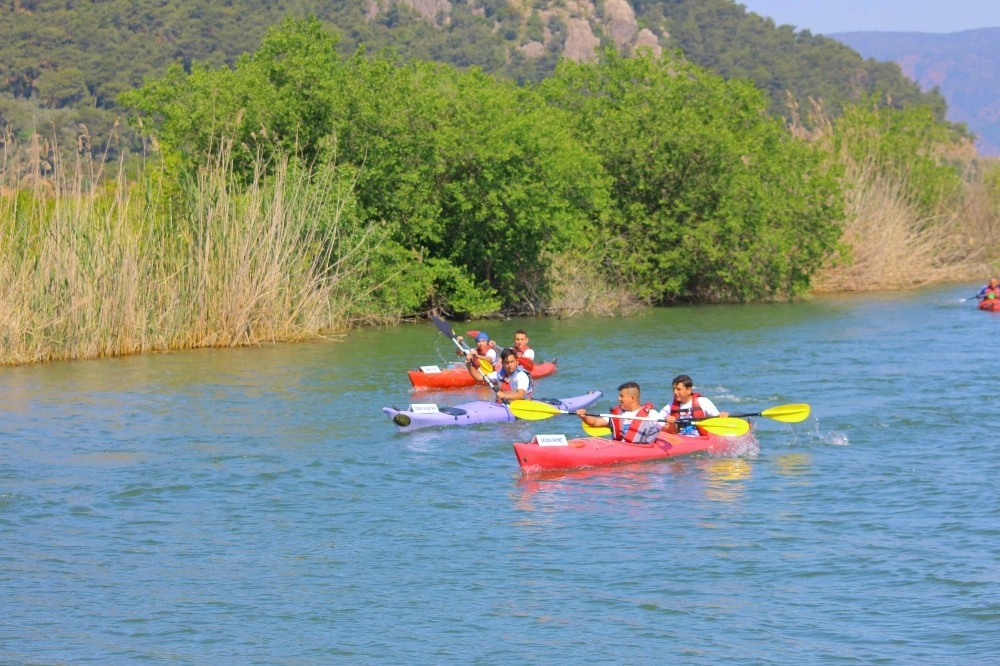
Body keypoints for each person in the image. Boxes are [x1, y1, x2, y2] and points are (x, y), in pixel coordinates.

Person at [576, 381, 662, 444]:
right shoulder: (617, 414)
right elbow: (595, 423)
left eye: (622, 396)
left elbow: (668, 428)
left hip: (641, 450)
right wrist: (584, 416)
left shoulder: (651, 414)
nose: (619, 398)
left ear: (632, 398)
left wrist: (670, 422)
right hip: (619, 448)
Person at [661, 374, 729, 436]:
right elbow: (656, 420)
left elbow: (717, 418)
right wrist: (668, 420)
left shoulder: (702, 402)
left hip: (700, 439)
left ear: (689, 390)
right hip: (680, 440)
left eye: (679, 389)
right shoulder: (670, 406)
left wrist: (721, 416)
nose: (675, 392)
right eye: (674, 389)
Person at [465, 346, 532, 403]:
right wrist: (468, 365)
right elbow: (479, 377)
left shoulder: (522, 375)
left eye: (512, 362)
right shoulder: (499, 374)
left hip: (520, 406)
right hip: (503, 405)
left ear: (517, 362)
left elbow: (521, 395)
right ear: (502, 363)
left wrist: (504, 395)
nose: (509, 365)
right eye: (506, 362)